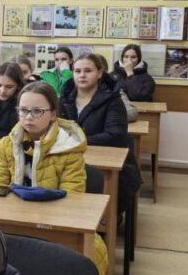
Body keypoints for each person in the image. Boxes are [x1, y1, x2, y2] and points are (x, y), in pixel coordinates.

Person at [0, 81, 107, 275]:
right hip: (13, 217)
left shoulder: (69, 148)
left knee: (89, 253)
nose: (28, 117)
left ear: (53, 114)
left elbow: (73, 196)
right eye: (23, 110)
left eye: (37, 111)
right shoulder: (6, 144)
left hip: (54, 221)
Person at [58, 53, 142, 216]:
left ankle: (106, 218)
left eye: (88, 71)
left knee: (104, 189)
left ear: (99, 73)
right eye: (77, 71)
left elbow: (115, 135)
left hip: (108, 161)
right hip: (71, 157)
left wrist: (77, 142)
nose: (82, 75)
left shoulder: (113, 99)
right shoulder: (66, 98)